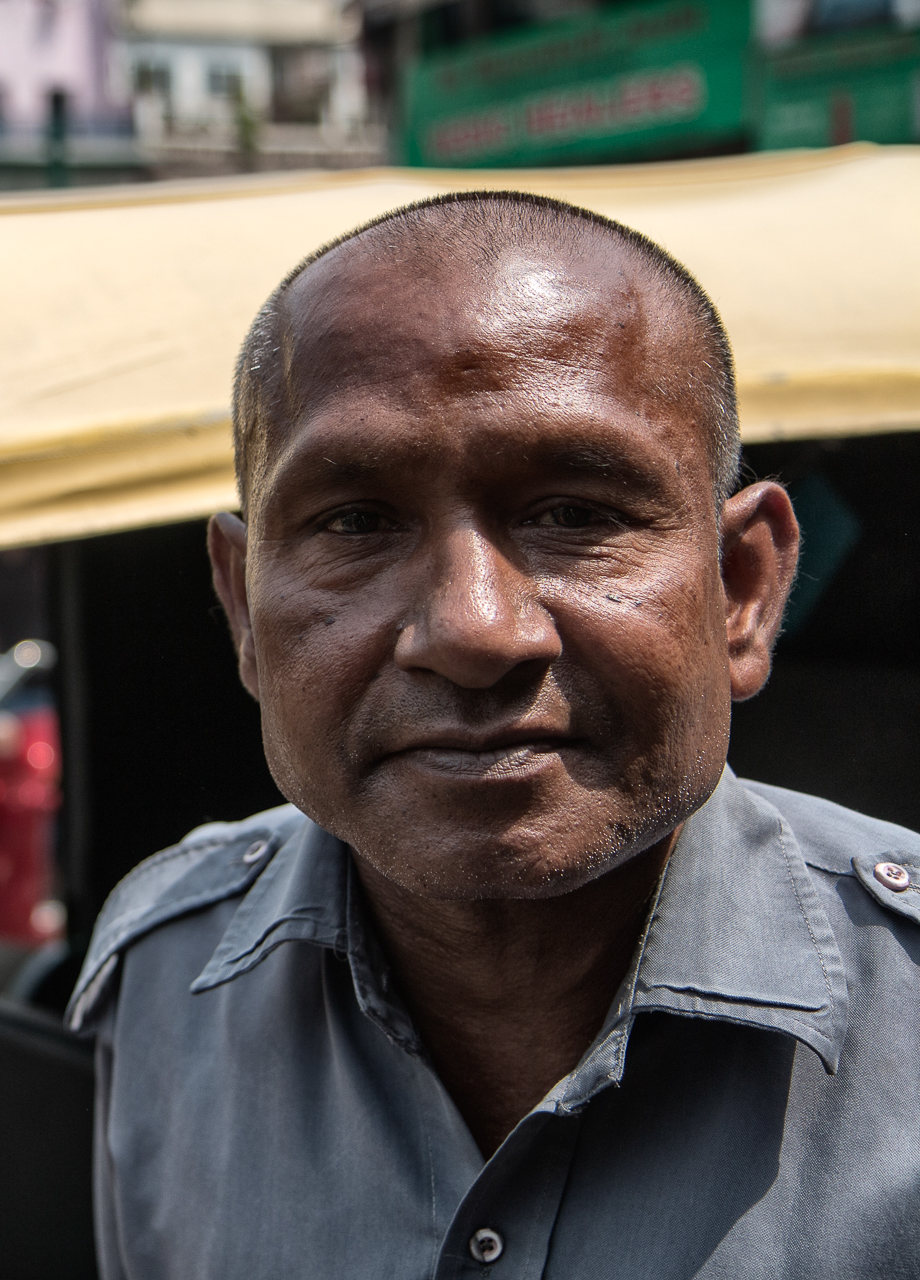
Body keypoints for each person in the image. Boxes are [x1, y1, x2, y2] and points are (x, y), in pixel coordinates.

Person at [68, 192, 920, 1277]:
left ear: (743, 589)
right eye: (355, 523)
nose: (472, 629)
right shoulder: (165, 975)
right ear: (242, 609)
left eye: (574, 512)